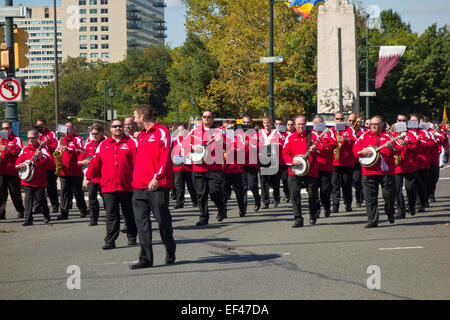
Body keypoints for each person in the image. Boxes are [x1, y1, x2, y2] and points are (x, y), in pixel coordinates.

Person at [130, 104, 175, 269]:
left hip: (157, 185)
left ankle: (170, 249)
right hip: (139, 186)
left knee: (162, 221)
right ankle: (146, 259)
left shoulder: (162, 132)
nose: (134, 120)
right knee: (142, 224)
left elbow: (165, 156)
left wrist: (157, 177)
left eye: (135, 117)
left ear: (142, 117)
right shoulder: (140, 136)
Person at [87, 119, 138, 250]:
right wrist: (88, 177)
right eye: (114, 126)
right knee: (111, 214)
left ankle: (132, 236)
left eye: (120, 126)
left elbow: (138, 163)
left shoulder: (132, 143)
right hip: (108, 185)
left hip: (127, 185)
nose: (118, 128)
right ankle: (110, 240)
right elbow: (95, 162)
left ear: (123, 128)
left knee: (129, 213)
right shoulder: (103, 144)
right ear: (110, 129)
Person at [353, 115, 398, 228]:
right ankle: (372, 220)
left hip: (385, 172)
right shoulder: (364, 136)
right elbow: (355, 148)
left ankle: (390, 210)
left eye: (376, 124)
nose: (373, 126)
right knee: (369, 198)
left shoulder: (388, 136)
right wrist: (362, 152)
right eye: (371, 124)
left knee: (388, 196)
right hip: (368, 171)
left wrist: (391, 147)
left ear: (382, 125)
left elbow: (398, 149)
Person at [282, 115, 326, 227]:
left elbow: (323, 148)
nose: (301, 126)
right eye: (298, 124)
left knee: (313, 195)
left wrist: (316, 149)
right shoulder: (290, 137)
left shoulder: (313, 135)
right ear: (295, 125)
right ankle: (298, 218)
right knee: (294, 194)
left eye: (303, 124)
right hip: (294, 170)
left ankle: (312, 214)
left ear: (306, 124)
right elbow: (285, 153)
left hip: (310, 170)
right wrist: (291, 162)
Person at [186, 110, 226, 226]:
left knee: (214, 192)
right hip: (198, 167)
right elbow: (183, 144)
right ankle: (204, 217)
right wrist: (192, 146)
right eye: (204, 117)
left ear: (213, 118)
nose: (206, 119)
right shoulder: (194, 131)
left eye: (209, 117)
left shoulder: (219, 131)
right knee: (201, 194)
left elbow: (228, 145)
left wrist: (221, 141)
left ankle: (221, 208)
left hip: (214, 167)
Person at [15, 129, 52, 226]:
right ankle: (28, 219)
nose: (30, 140)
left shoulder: (43, 149)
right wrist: (19, 166)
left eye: (32, 138)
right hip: (28, 180)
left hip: (39, 179)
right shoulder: (25, 149)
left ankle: (46, 214)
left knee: (41, 199)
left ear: (38, 138)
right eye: (28, 138)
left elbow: (49, 162)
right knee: (28, 200)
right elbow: (17, 162)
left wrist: (41, 156)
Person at [56, 122, 88, 220]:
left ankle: (83, 209)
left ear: (73, 129)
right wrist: (58, 152)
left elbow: (82, 150)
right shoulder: (61, 140)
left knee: (77, 192)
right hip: (64, 171)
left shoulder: (78, 139)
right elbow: (57, 151)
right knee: (64, 192)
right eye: (64, 129)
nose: (66, 131)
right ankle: (64, 213)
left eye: (68, 129)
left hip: (75, 171)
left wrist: (69, 149)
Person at [392, 114, 419, 218]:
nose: (401, 122)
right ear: (396, 121)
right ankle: (401, 211)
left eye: (403, 120)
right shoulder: (392, 134)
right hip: (397, 165)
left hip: (409, 165)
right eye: (399, 120)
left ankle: (411, 206)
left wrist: (407, 144)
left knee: (410, 188)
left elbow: (418, 146)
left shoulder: (412, 134)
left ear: (407, 122)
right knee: (397, 190)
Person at [330, 112, 357, 213]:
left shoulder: (349, 129)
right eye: (338, 119)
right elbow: (327, 143)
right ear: (334, 119)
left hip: (347, 162)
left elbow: (355, 141)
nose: (340, 121)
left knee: (347, 184)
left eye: (341, 119)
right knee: (334, 185)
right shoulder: (331, 131)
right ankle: (335, 205)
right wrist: (334, 140)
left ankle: (348, 204)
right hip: (334, 162)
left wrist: (346, 140)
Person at [80, 124, 106, 226]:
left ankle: (110, 216)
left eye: (96, 133)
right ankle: (93, 219)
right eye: (92, 133)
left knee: (106, 199)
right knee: (92, 199)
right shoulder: (88, 144)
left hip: (104, 176)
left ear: (102, 133)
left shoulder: (106, 143)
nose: (94, 136)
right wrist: (82, 162)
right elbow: (80, 157)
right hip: (92, 176)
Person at [312, 116, 337, 218]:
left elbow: (334, 143)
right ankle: (316, 210)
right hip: (314, 167)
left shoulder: (329, 132)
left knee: (325, 190)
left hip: (326, 166)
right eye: (317, 123)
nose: (319, 125)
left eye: (321, 123)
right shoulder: (310, 134)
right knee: (313, 191)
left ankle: (326, 207)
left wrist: (322, 148)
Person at [0, 121, 24, 220]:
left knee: (15, 193)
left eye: (7, 128)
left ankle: (21, 210)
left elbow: (20, 151)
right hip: (1, 170)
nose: (5, 130)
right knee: (1, 193)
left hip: (12, 171)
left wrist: (8, 148)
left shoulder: (16, 139)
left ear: (11, 128)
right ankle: (1, 213)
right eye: (3, 128)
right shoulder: (0, 139)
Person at [259, 116, 284, 209]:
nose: (266, 124)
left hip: (274, 159)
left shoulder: (276, 133)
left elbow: (282, 143)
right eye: (265, 122)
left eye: (268, 122)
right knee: (264, 181)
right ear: (263, 123)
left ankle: (276, 197)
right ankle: (265, 201)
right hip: (263, 159)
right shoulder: (259, 133)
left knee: (275, 181)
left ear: (271, 123)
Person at [35, 118, 60, 213]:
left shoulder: (51, 134)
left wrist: (46, 145)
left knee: (51, 187)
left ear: (45, 125)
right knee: (38, 187)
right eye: (38, 125)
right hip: (39, 165)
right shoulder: (35, 134)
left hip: (49, 165)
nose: (40, 127)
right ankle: (37, 207)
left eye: (41, 125)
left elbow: (56, 146)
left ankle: (55, 206)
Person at [222, 122, 246, 217]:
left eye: (230, 127)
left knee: (239, 192)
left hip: (236, 169)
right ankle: (223, 211)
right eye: (225, 127)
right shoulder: (221, 137)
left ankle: (242, 209)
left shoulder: (238, 137)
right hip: (224, 169)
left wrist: (230, 150)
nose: (228, 129)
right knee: (223, 192)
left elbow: (242, 149)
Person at [172, 124, 197, 209]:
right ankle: (179, 202)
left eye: (183, 130)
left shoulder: (189, 140)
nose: (181, 132)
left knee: (191, 185)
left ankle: (195, 201)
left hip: (188, 165)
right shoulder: (174, 140)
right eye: (179, 130)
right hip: (177, 166)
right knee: (179, 185)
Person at [242, 115, 261, 212]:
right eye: (244, 122)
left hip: (252, 163)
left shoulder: (256, 134)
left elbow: (259, 147)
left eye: (248, 122)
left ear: (251, 123)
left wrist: (249, 144)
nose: (246, 124)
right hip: (241, 163)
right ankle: (243, 207)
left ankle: (257, 199)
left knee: (252, 185)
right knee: (243, 186)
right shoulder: (239, 133)